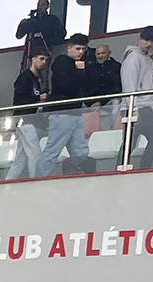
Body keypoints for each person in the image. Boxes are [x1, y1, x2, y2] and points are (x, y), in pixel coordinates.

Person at [37, 35, 94, 178]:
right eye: (78, 49)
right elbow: (65, 86)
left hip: (74, 112)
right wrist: (80, 72)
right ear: (69, 48)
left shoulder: (75, 65)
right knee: (54, 150)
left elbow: (84, 88)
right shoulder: (61, 62)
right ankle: (40, 178)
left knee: (79, 150)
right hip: (62, 112)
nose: (81, 52)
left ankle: (80, 176)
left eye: (83, 49)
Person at [120, 28, 153, 173]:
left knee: (151, 138)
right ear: (140, 39)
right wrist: (133, 109)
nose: (148, 44)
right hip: (135, 107)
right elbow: (129, 85)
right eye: (146, 40)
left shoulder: (147, 60)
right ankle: (123, 168)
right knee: (130, 142)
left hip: (145, 106)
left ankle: (142, 168)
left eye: (151, 41)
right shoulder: (133, 58)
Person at [9, 50, 51, 180]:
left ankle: (8, 182)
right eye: (41, 58)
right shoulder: (25, 77)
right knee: (34, 152)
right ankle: (35, 180)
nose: (44, 62)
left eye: (46, 60)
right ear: (33, 59)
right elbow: (19, 100)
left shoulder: (36, 79)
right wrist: (39, 98)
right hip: (25, 119)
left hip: (29, 120)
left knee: (21, 157)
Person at [16, 0, 66, 65]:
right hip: (30, 52)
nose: (40, 7)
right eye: (38, 5)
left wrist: (51, 42)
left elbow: (62, 33)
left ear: (47, 6)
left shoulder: (52, 19)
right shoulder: (31, 21)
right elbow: (19, 36)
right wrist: (23, 24)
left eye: (43, 5)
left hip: (44, 51)